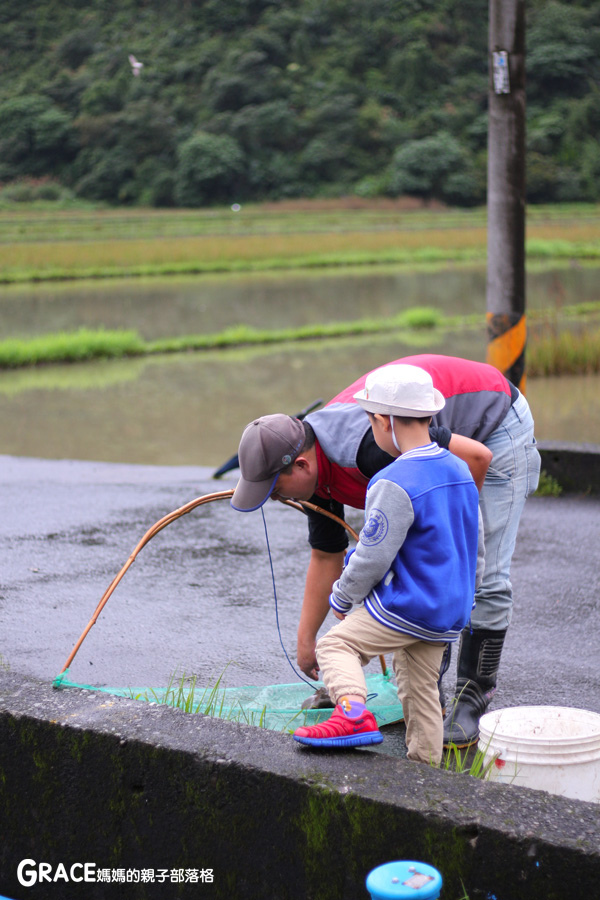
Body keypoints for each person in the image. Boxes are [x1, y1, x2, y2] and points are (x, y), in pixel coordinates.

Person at [231, 353, 541, 748]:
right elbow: (326, 554)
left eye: (275, 490)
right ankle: (421, 722)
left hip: (492, 424)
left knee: (485, 578)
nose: (276, 500)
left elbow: (476, 458)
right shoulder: (316, 471)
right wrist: (307, 642)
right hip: (431, 431)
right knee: (419, 589)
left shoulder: (376, 447)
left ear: (303, 465)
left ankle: (472, 697)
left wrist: (450, 532)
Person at [291, 363, 483, 763]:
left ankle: (352, 714)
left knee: (335, 645)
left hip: (407, 606)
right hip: (449, 612)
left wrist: (343, 596)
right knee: (420, 689)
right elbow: (475, 544)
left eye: (370, 421)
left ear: (382, 421)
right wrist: (467, 599)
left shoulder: (393, 480)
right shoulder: (460, 470)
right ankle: (426, 772)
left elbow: (373, 554)